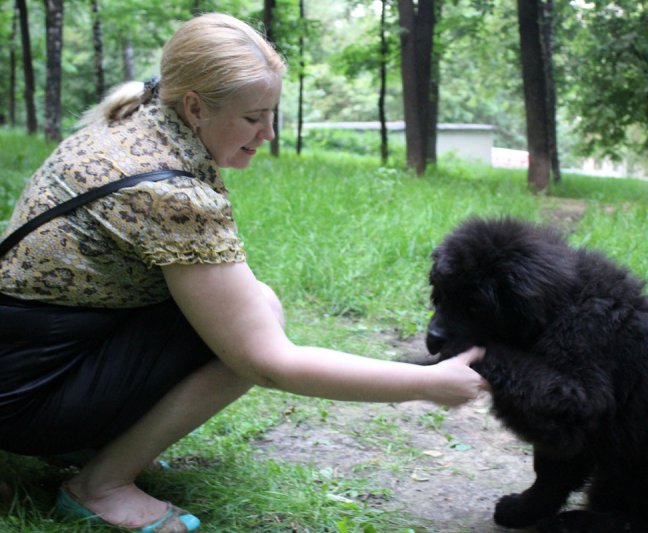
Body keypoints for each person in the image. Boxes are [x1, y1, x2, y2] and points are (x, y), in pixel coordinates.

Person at [0, 13, 487, 533]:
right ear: (194, 107)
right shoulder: (167, 193)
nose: (268, 133)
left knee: (251, 304)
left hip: (23, 355)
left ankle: (91, 441)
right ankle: (100, 485)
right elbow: (268, 364)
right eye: (254, 117)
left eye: (271, 114)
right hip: (27, 392)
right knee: (252, 329)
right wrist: (427, 383)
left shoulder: (133, 120)